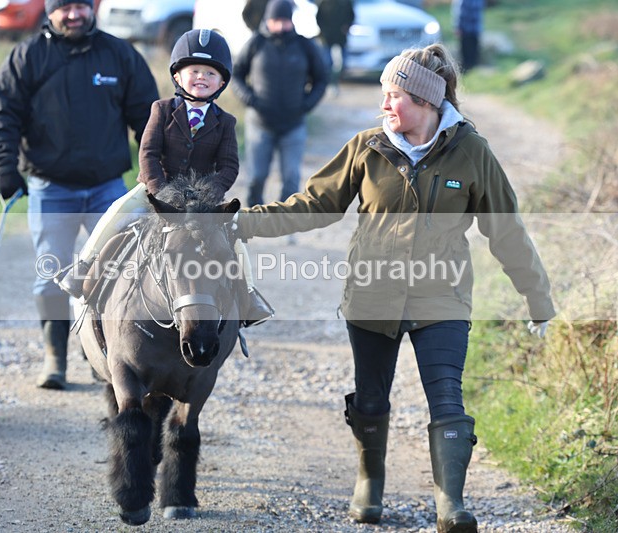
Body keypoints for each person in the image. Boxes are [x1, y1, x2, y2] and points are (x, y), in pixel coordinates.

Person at [234, 43, 555, 530]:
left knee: (447, 395)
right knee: (370, 397)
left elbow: (505, 230)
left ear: (426, 102)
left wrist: (538, 299)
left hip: (441, 297)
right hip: (372, 294)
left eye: (394, 95)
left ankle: (451, 503)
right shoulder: (367, 147)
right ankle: (370, 482)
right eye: (384, 93)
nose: (384, 104)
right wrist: (242, 223)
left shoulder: (472, 152)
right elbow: (313, 204)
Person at [0, 0, 159, 390]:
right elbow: (3, 115)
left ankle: (106, 352)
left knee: (116, 275)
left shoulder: (119, 55)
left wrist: (156, 173)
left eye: (81, 5)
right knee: (51, 277)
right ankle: (55, 358)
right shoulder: (28, 57)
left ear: (92, 7)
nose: (73, 14)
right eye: (64, 7)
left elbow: (149, 121)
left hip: (108, 189)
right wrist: (5, 169)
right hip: (51, 188)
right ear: (49, 10)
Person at [56, 28, 274, 326]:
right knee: (116, 212)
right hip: (156, 190)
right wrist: (160, 191)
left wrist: (207, 194)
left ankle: (248, 296)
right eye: (194, 70)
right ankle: (84, 266)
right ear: (178, 76)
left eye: (210, 73)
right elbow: (147, 154)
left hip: (203, 200)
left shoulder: (226, 122)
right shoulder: (161, 110)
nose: (201, 77)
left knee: (235, 233)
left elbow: (228, 167)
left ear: (222, 82)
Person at [232, 0, 329, 207]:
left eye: (284, 20)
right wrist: (249, 98)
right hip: (260, 124)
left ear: (291, 21)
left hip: (293, 125)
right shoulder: (256, 43)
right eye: (276, 20)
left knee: (291, 178)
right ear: (267, 20)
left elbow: (322, 78)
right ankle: (252, 219)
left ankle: (284, 223)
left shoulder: (304, 45)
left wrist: (306, 105)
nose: (280, 25)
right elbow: (237, 74)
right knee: (257, 177)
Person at [315, 0, 355, 91]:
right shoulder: (324, 3)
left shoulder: (345, 2)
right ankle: (329, 80)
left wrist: (347, 27)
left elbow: (351, 16)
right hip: (327, 36)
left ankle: (340, 78)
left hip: (341, 35)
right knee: (327, 61)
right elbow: (319, 18)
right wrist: (323, 31)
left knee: (343, 62)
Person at [451, 0, 485, 72]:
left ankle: (471, 69)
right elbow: (460, 12)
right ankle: (466, 69)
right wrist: (458, 27)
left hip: (474, 28)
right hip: (466, 29)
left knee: (473, 51)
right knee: (466, 51)